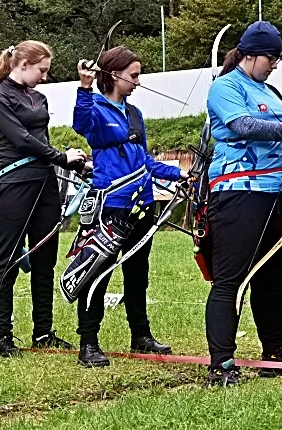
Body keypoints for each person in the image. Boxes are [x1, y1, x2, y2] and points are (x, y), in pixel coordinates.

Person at [203, 21, 282, 387]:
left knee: (270, 276)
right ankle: (221, 363)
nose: (274, 64)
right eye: (271, 57)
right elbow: (244, 126)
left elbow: (277, 147)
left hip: (279, 194)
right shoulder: (224, 87)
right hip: (238, 193)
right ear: (250, 54)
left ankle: (274, 352)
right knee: (231, 280)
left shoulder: (270, 91)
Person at [71, 45, 184, 367]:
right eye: (133, 75)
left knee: (138, 272)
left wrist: (176, 173)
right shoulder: (93, 106)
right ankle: (88, 343)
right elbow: (80, 125)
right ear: (115, 75)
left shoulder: (134, 114)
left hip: (141, 201)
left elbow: (145, 159)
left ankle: (141, 336)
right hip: (111, 203)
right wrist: (84, 85)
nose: (138, 81)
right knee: (97, 272)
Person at [0, 42, 87, 357]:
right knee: (8, 260)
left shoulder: (38, 98)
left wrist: (77, 163)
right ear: (24, 63)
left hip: (45, 185)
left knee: (45, 261)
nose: (44, 76)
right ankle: (0, 339)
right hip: (15, 187)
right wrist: (61, 156)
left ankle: (43, 333)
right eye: (42, 70)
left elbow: (41, 140)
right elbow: (21, 139)